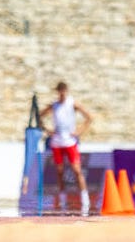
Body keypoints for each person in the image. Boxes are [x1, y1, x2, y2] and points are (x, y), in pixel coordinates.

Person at [40, 81, 94, 214]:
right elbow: (40, 115)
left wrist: (80, 131)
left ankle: (85, 198)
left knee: (77, 169)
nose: (62, 94)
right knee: (59, 171)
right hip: (57, 141)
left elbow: (89, 117)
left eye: (64, 91)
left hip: (70, 141)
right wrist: (47, 130)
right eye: (60, 92)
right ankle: (62, 197)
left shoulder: (72, 103)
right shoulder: (54, 105)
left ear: (66, 91)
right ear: (58, 92)